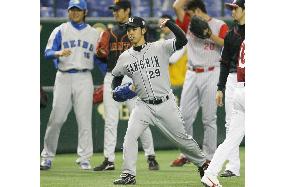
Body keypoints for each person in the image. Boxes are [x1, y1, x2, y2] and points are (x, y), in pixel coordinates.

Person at [112, 16, 209, 185]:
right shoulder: (124, 57)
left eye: (134, 29)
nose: (130, 32)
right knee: (129, 138)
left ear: (143, 30)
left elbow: (182, 40)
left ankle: (203, 163)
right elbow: (116, 77)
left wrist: (170, 24)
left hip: (165, 103)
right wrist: (117, 90)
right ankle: (129, 174)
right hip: (143, 105)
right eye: (128, 29)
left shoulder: (159, 47)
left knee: (182, 140)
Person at [93, 0, 159, 171]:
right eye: (114, 10)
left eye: (118, 10)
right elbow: (100, 58)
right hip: (112, 76)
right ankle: (109, 159)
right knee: (110, 120)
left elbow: (150, 50)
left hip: (133, 77)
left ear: (127, 10)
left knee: (140, 117)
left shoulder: (138, 29)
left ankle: (151, 156)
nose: (115, 13)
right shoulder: (110, 32)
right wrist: (105, 67)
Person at [40, 0, 100, 170]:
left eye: (78, 10)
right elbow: (47, 53)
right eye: (72, 9)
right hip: (64, 77)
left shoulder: (94, 33)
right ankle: (47, 156)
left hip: (84, 77)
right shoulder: (60, 30)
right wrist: (58, 53)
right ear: (68, 11)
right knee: (56, 119)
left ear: (85, 12)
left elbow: (100, 58)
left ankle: (85, 158)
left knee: (84, 120)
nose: (74, 12)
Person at [170, 0, 229, 167]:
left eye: (189, 12)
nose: (187, 16)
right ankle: (187, 153)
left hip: (211, 71)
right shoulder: (189, 23)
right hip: (191, 72)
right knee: (184, 117)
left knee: (209, 118)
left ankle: (209, 156)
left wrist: (210, 35)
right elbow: (176, 6)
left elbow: (227, 44)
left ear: (196, 10)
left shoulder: (219, 25)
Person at [201, 1, 245, 185]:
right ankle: (229, 167)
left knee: (233, 134)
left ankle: (211, 173)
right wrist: (220, 87)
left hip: (242, 89)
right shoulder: (231, 35)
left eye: (236, 7)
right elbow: (225, 62)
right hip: (239, 82)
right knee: (231, 129)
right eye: (231, 8)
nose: (232, 11)